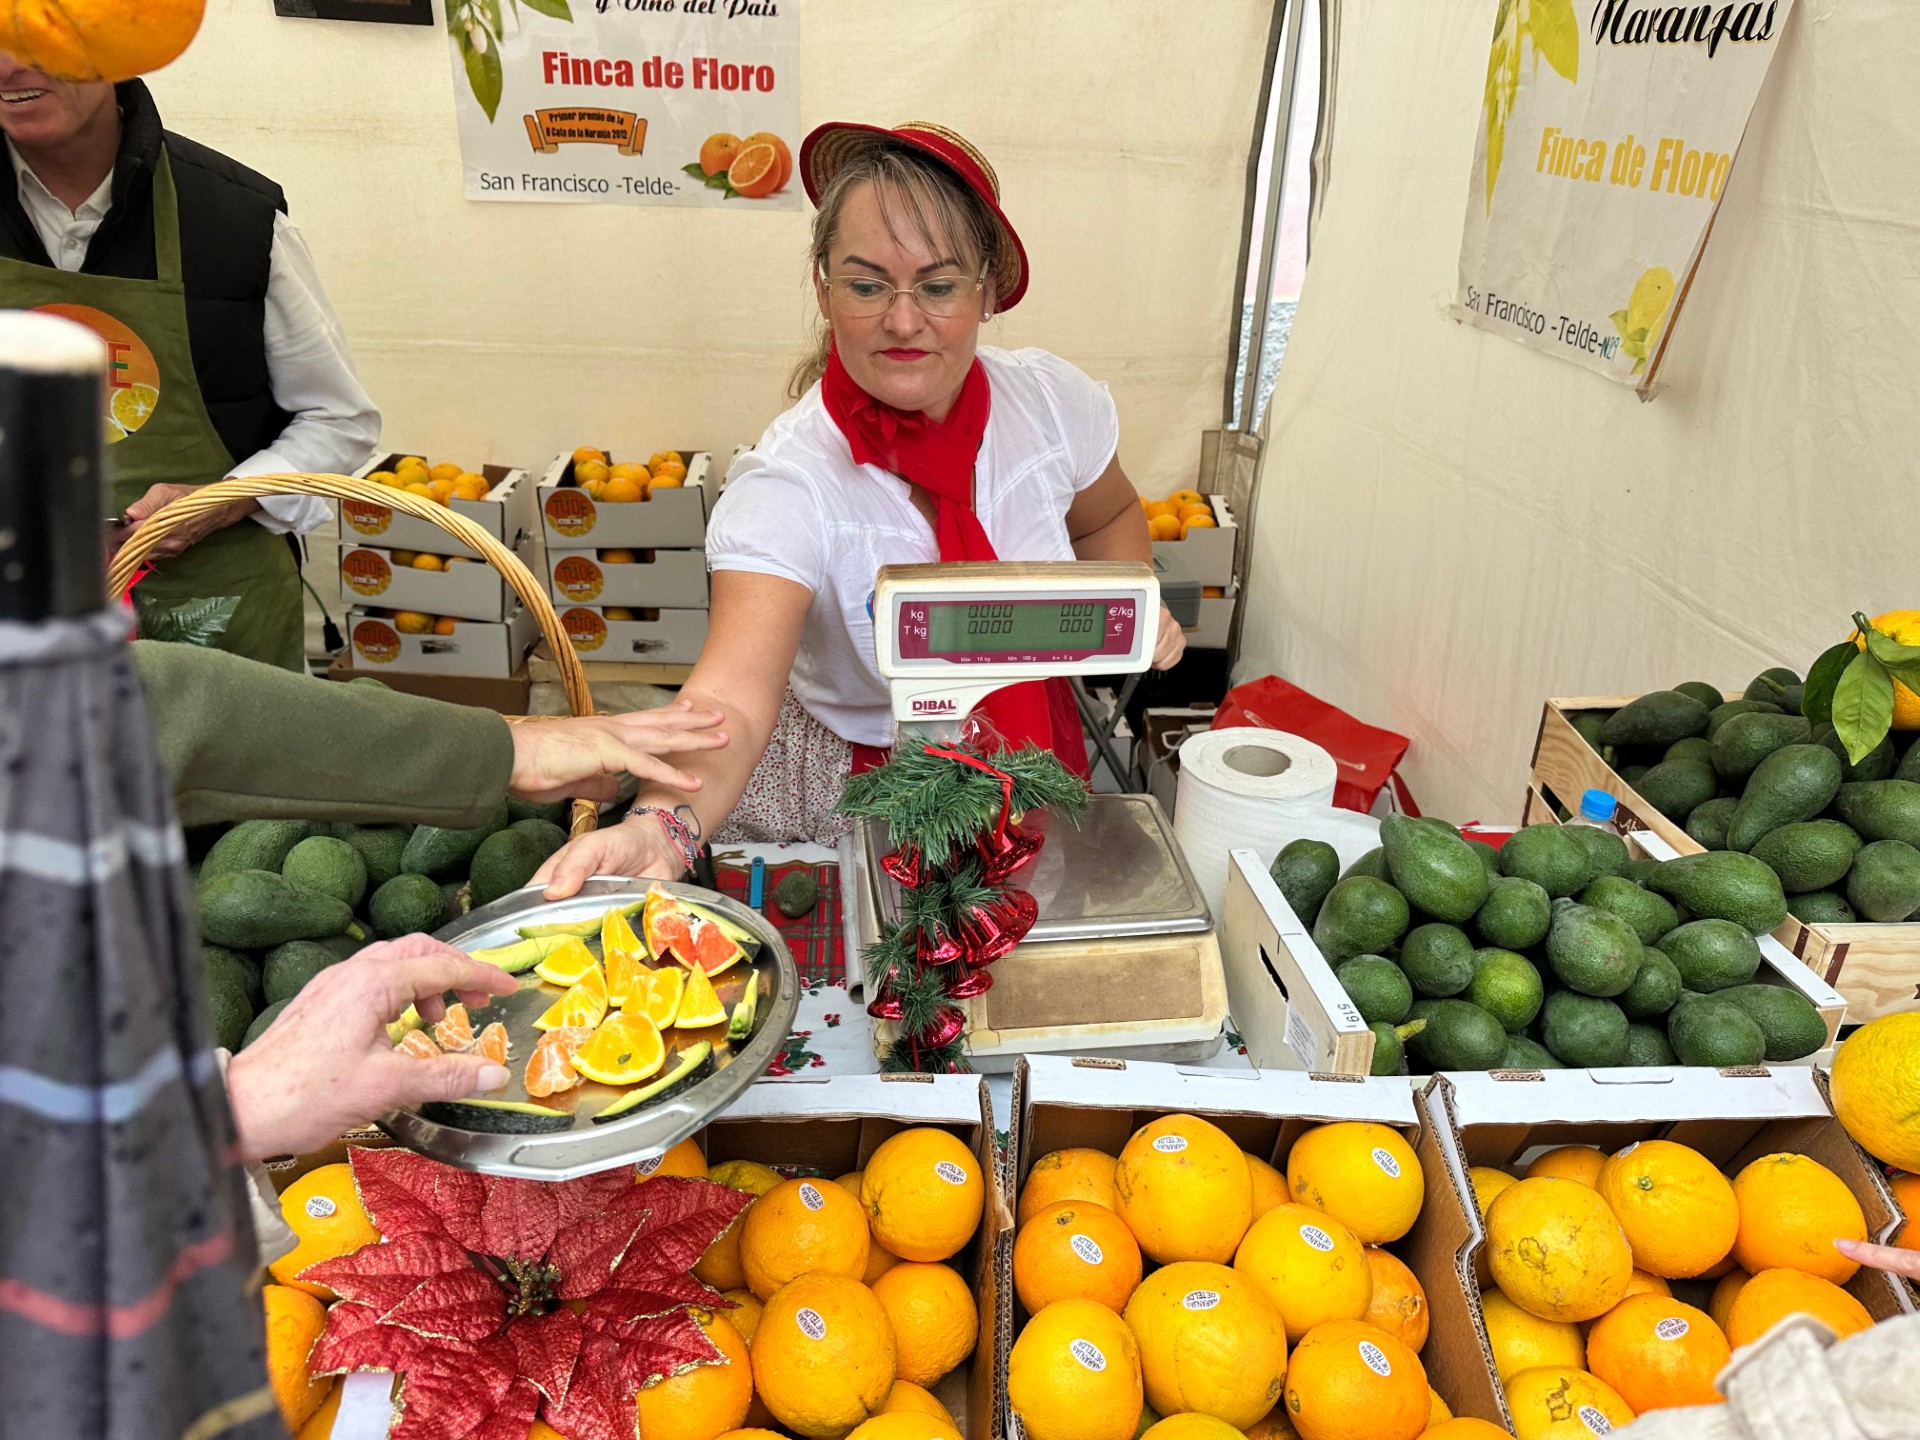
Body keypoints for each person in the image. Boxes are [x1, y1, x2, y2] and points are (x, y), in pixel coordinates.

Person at [537, 120, 1185, 896]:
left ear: (986, 287)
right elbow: (733, 698)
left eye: (939, 287)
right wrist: (661, 827)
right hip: (868, 781)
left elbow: (1107, 517)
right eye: (868, 285)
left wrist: (1121, 607)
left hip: (1032, 740)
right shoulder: (790, 483)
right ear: (824, 287)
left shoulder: (1048, 407)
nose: (903, 321)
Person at [0, 61, 380, 671]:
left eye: (38, 34)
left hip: (220, 620)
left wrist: (221, 502)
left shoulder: (235, 218)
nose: (8, 63)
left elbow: (337, 420)